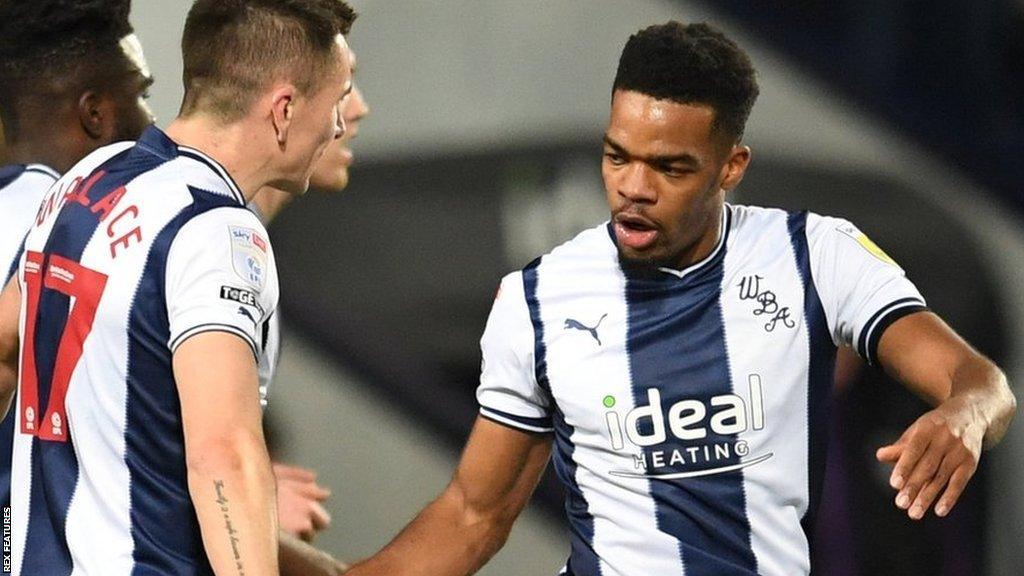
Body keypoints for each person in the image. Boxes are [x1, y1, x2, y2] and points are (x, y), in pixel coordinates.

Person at [345, 22, 1017, 576]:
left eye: (669, 167)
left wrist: (962, 414)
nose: (634, 187)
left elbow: (983, 383)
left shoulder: (817, 254)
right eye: (617, 157)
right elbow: (473, 515)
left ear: (731, 166)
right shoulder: (541, 298)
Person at [0, 0, 356, 574]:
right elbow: (223, 457)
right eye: (337, 101)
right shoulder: (219, 232)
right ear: (284, 108)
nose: (339, 125)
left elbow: (3, 348)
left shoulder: (87, 181)